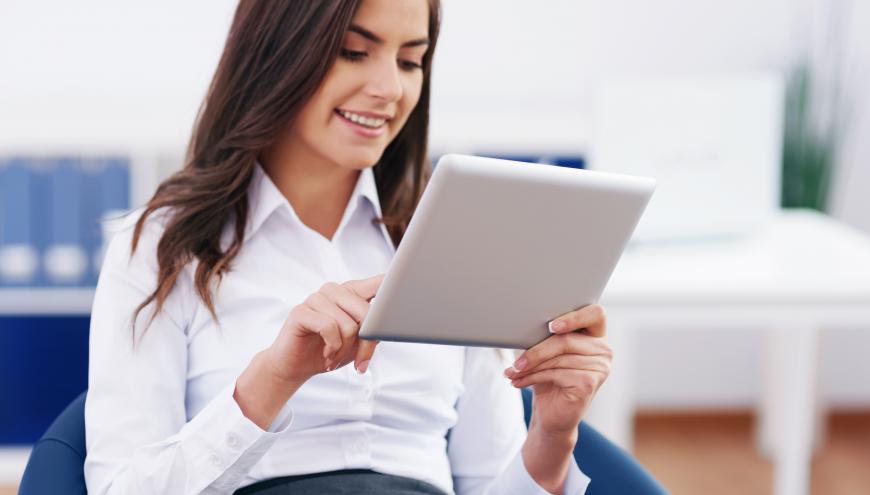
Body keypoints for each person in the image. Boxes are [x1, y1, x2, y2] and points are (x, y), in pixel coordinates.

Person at [83, 0, 613, 494]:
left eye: (410, 61)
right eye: (354, 52)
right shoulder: (161, 248)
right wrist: (276, 376)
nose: (389, 88)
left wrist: (552, 433)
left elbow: (486, 480)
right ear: (276, 52)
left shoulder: (453, 242)